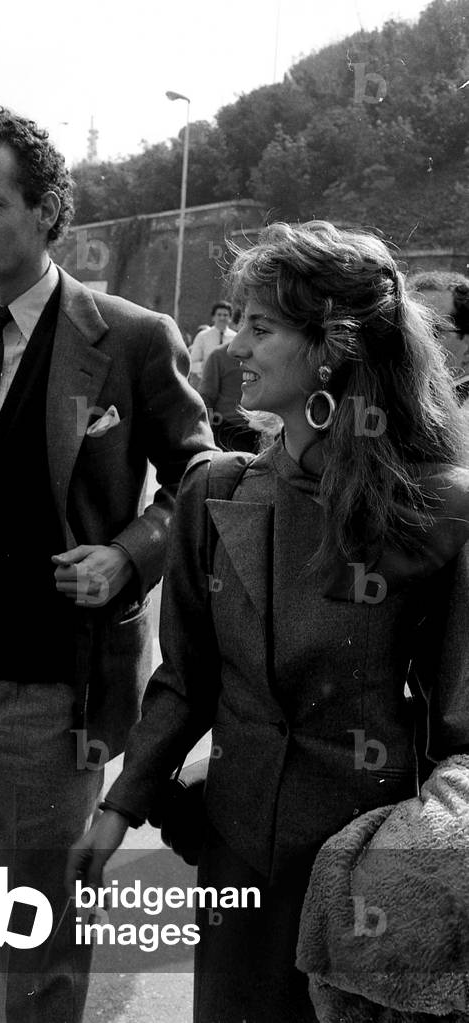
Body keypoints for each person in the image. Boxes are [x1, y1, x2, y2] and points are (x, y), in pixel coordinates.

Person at [70, 221, 469, 1023]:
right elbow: (185, 681)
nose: (234, 346)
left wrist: (425, 856)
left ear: (331, 348)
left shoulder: (443, 510)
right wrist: (117, 807)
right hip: (236, 860)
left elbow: (460, 723)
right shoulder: (213, 493)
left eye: (261, 326)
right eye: (239, 321)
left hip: (368, 877)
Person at [0, 104, 213, 1023]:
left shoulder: (132, 334)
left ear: (48, 212)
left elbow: (200, 471)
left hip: (54, 683)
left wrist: (128, 554)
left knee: (36, 913)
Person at [198, 340, 260, 452]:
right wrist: (209, 428)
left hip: (256, 432)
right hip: (226, 431)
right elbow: (206, 397)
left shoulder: (264, 354)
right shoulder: (219, 355)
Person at [188, 301, 236, 386]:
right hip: (205, 382)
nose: (222, 318)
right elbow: (192, 363)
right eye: (219, 315)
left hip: (228, 383)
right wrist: (206, 367)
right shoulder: (202, 336)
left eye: (225, 315)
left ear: (230, 318)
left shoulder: (235, 338)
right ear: (213, 317)